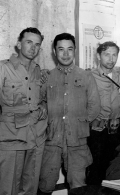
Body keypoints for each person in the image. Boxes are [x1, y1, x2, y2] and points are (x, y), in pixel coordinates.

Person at [0, 27, 47, 195]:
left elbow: (39, 98)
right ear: (19, 44)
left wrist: (42, 106)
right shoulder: (2, 68)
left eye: (37, 44)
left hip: (34, 137)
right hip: (10, 138)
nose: (33, 47)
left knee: (30, 190)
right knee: (7, 189)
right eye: (29, 42)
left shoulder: (38, 71)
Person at [38, 33, 101, 194]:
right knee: (45, 183)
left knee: (78, 185)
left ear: (75, 51)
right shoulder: (47, 77)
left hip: (77, 142)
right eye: (61, 49)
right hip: (52, 140)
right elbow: (40, 102)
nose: (65, 54)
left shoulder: (86, 76)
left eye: (70, 49)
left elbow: (94, 106)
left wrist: (80, 122)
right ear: (54, 52)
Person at [86, 41, 120, 185]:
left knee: (113, 171)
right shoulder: (89, 76)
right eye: (107, 54)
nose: (111, 59)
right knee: (95, 172)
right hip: (96, 132)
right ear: (98, 56)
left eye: (114, 55)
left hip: (115, 132)